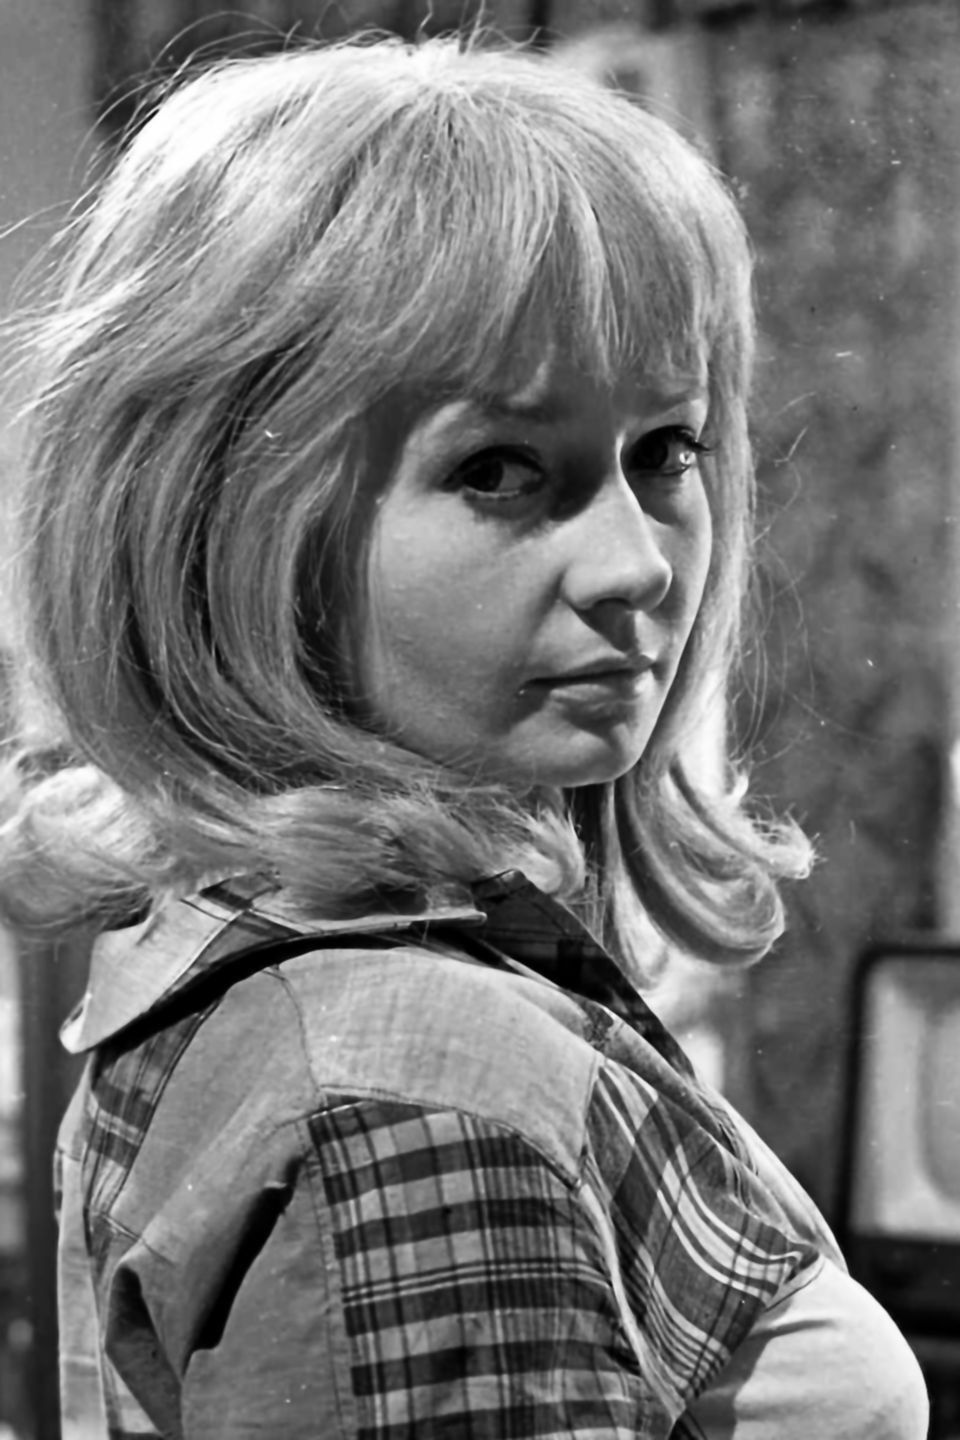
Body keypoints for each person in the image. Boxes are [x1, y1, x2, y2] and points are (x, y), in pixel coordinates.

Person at [0, 35, 927, 1440]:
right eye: (500, 469)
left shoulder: (278, 955)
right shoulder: (414, 1076)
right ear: (231, 522)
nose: (640, 566)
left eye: (666, 450)